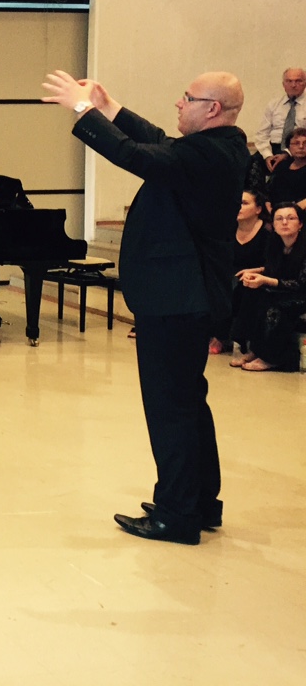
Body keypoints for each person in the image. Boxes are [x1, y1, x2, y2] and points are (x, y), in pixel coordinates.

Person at [43, 68, 248, 545]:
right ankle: (199, 501)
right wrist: (109, 107)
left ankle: (177, 515)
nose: (179, 103)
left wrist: (82, 110)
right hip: (184, 296)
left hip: (178, 298)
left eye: (188, 97)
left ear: (212, 108)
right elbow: (156, 140)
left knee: (170, 408)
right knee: (188, 402)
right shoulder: (217, 147)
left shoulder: (209, 153)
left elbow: (134, 154)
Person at [230, 202, 306, 372]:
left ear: (300, 224)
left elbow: (301, 283)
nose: (284, 222)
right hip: (284, 290)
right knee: (250, 292)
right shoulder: (275, 244)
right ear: (274, 224)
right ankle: (254, 349)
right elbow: (274, 269)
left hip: (301, 294)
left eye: (290, 218)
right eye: (279, 219)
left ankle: (271, 357)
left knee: (275, 304)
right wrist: (256, 271)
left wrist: (265, 280)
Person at [218, 189, 272, 356]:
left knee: (243, 286)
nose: (238, 207)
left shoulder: (267, 232)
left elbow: (273, 264)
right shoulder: (228, 229)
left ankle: (235, 339)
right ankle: (217, 335)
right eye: (237, 203)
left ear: (258, 209)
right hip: (232, 272)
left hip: (259, 273)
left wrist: (254, 271)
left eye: (244, 203)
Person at [254, 67, 306, 168]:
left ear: (305, 83)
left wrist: (287, 153)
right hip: (273, 148)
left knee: (283, 168)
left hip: (299, 150)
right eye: (289, 81)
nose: (293, 85)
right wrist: (268, 156)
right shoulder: (274, 105)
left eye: (298, 81)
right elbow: (262, 134)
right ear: (283, 85)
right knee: (250, 165)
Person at [266, 127, 306, 206]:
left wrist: (294, 209)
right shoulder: (282, 165)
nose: (301, 146)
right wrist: (268, 206)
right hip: (276, 209)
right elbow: (268, 191)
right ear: (289, 147)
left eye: (305, 143)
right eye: (296, 143)